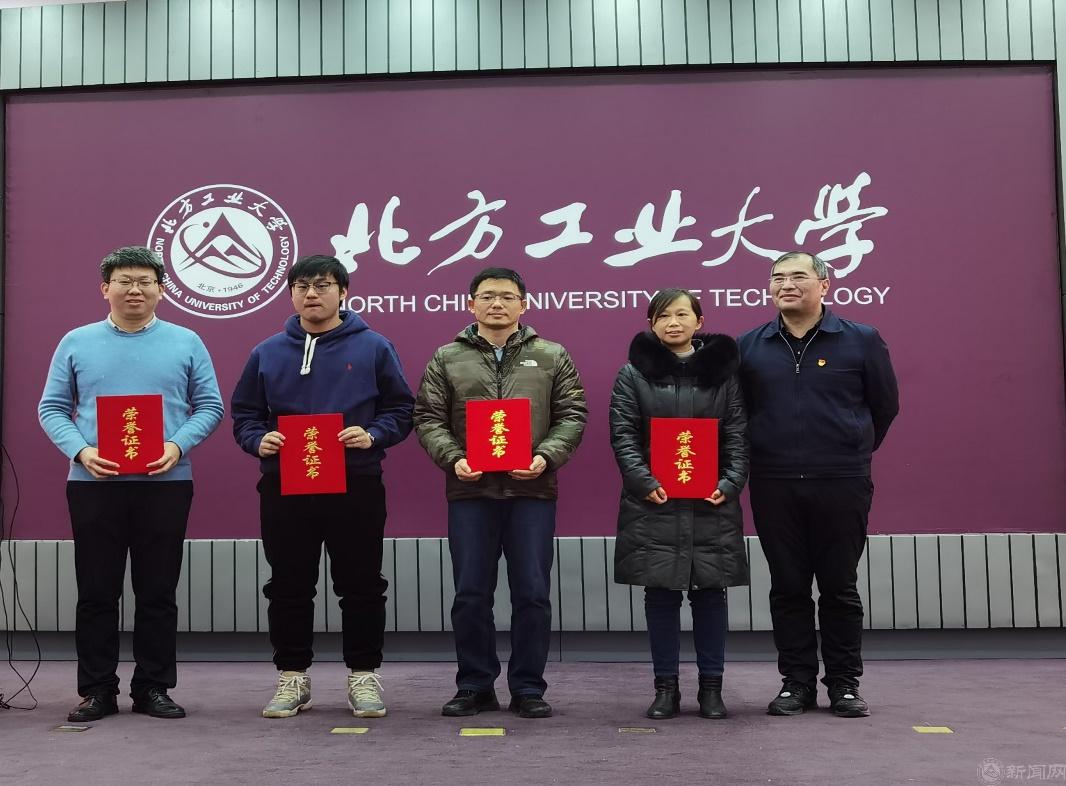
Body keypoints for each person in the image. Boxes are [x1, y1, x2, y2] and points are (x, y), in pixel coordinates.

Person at [38, 246, 224, 722]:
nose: (134, 289)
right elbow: (52, 408)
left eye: (145, 281)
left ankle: (153, 687)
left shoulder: (186, 341)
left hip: (165, 482)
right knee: (96, 592)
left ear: (161, 289)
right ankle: (97, 690)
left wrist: (177, 445)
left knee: (157, 591)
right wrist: (82, 452)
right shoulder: (76, 341)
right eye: (124, 281)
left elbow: (210, 406)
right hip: (93, 483)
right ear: (106, 288)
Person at [231, 254, 414, 719]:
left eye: (323, 285)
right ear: (291, 294)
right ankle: (292, 676)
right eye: (302, 286)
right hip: (284, 484)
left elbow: (401, 409)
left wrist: (372, 434)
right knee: (288, 584)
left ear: (343, 292)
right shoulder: (267, 351)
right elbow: (245, 415)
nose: (312, 293)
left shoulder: (374, 346)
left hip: (357, 482)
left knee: (362, 584)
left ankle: (363, 676)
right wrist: (258, 440)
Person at [414, 266, 587, 719]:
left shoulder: (551, 355)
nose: (497, 304)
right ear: (470, 303)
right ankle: (474, 684)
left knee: (532, 592)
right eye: (488, 296)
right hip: (470, 491)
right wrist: (454, 458)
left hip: (533, 490)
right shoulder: (447, 357)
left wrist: (546, 456)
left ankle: (528, 687)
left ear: (523, 304)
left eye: (507, 297)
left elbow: (572, 414)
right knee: (471, 593)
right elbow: (428, 417)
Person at [738, 251, 899, 718]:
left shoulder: (861, 339)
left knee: (839, 587)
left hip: (842, 481)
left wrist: (850, 448)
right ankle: (796, 683)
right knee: (788, 587)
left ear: (824, 285)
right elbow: (739, 413)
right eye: (777, 277)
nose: (786, 285)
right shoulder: (749, 346)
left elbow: (884, 406)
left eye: (798, 276)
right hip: (774, 482)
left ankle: (844, 685)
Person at [609, 288, 748, 720]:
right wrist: (643, 480)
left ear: (699, 322)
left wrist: (730, 482)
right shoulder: (633, 375)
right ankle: (665, 689)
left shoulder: (724, 375)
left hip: (712, 502)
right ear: (651, 324)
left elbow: (737, 435)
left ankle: (712, 689)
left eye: (682, 314)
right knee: (660, 596)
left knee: (711, 595)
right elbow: (623, 435)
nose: (673, 322)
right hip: (653, 502)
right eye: (663, 315)